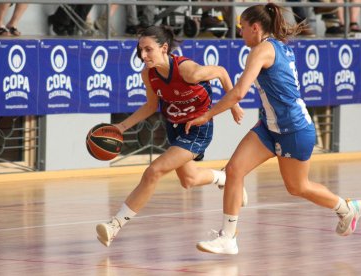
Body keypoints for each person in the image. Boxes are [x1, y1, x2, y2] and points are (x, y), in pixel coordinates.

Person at [185, 3, 361, 255]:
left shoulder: (262, 50)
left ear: (255, 27)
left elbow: (238, 92)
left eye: (243, 28)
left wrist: (207, 115)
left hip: (294, 128)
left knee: (297, 187)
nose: (241, 33)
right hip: (270, 127)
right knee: (234, 170)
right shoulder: (277, 46)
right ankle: (228, 237)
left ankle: (346, 208)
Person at [96, 25, 248, 247]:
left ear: (164, 48)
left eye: (148, 49)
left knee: (153, 171)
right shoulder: (148, 74)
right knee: (189, 180)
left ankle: (114, 226)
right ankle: (223, 177)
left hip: (198, 127)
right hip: (174, 126)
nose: (143, 55)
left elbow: (222, 72)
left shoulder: (189, 71)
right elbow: (150, 106)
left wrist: (234, 103)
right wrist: (122, 126)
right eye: (140, 50)